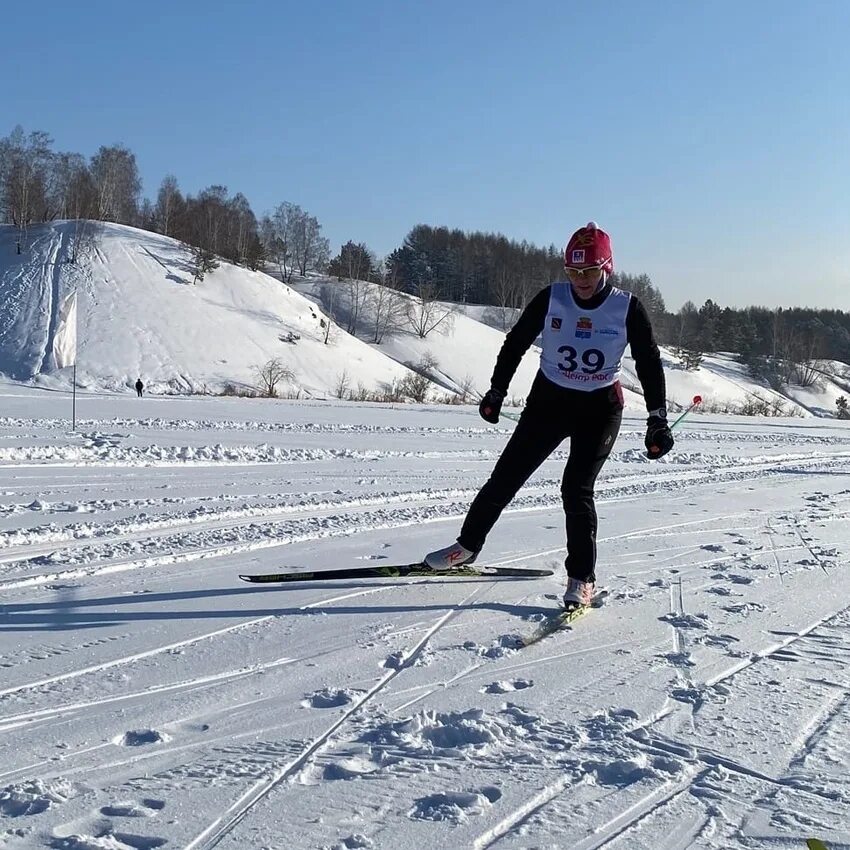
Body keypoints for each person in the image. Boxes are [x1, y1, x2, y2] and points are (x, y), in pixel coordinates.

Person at [423, 222, 673, 610]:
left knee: (576, 489)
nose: (581, 281)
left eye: (589, 271)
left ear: (607, 268)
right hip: (549, 402)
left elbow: (649, 362)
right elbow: (516, 342)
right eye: (573, 272)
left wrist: (657, 418)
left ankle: (581, 578)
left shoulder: (627, 307)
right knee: (505, 477)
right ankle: (467, 546)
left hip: (599, 408)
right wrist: (496, 390)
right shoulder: (552, 298)